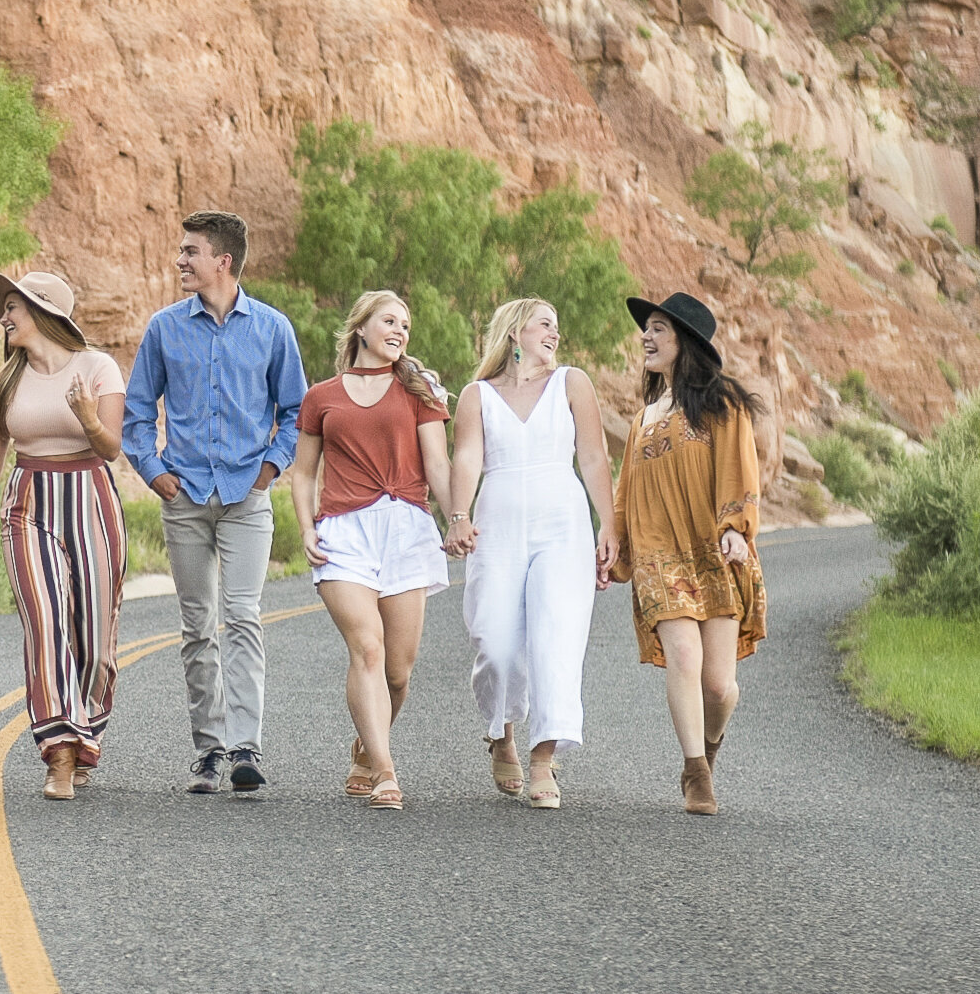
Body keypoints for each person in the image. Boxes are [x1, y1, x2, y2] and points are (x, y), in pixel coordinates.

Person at [122, 210, 307, 794]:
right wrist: (155, 474)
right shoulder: (163, 328)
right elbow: (136, 415)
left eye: (190, 252)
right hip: (184, 497)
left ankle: (247, 747)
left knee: (244, 616)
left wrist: (270, 469)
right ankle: (209, 750)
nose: (180, 261)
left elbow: (296, 412)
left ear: (222, 261)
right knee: (198, 624)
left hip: (246, 498)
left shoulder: (273, 329)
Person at [285, 291, 456, 811]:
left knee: (398, 673)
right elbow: (304, 472)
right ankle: (386, 770)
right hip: (342, 532)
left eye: (406, 324)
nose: (400, 329)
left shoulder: (420, 391)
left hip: (407, 528)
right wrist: (306, 528)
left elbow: (439, 465)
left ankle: (366, 746)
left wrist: (460, 519)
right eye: (389, 320)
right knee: (368, 648)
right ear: (361, 327)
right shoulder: (322, 396)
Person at [0, 271, 128, 800]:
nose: (4, 318)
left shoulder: (97, 367)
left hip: (92, 499)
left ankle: (84, 735)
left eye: (12, 308)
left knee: (96, 642)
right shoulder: (5, 381)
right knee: (46, 625)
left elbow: (111, 449)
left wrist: (86, 417)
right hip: (28, 502)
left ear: (45, 311)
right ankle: (58, 751)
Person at [444, 299, 618, 810]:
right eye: (546, 324)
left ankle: (543, 757)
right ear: (516, 330)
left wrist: (608, 523)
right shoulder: (477, 396)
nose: (555, 334)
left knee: (555, 639)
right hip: (496, 524)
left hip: (562, 525)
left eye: (558, 327)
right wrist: (458, 515)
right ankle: (502, 733)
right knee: (495, 640)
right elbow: (468, 458)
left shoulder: (572, 383)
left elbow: (592, 454)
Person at [611, 291, 767, 816]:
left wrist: (736, 528)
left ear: (686, 341)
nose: (646, 338)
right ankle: (695, 772)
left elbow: (739, 470)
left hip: (713, 551)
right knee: (683, 657)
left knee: (720, 687)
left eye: (657, 329)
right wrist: (616, 551)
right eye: (646, 330)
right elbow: (625, 493)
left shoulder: (722, 403)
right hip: (660, 558)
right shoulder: (643, 421)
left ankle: (710, 747)